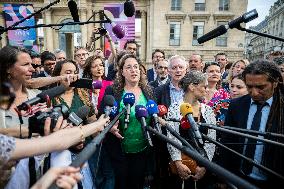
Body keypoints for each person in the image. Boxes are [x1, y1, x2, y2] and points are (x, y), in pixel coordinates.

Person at [217, 60, 284, 188]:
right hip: (238, 179)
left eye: (260, 87)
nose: (254, 92)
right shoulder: (237, 105)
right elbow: (228, 142)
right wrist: (224, 176)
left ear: (274, 83)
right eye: (249, 86)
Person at [100, 53, 155, 189]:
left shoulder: (149, 91)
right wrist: (110, 126)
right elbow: (102, 116)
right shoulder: (112, 90)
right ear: (122, 72)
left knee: (136, 184)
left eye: (136, 67)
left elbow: (154, 116)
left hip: (142, 149)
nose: (133, 70)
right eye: (129, 67)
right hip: (118, 150)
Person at [158, 71, 216, 189]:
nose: (207, 90)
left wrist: (205, 166)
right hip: (181, 165)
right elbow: (172, 138)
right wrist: (178, 163)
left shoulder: (208, 110)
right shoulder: (175, 108)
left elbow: (211, 140)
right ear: (192, 87)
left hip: (202, 167)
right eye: (204, 86)